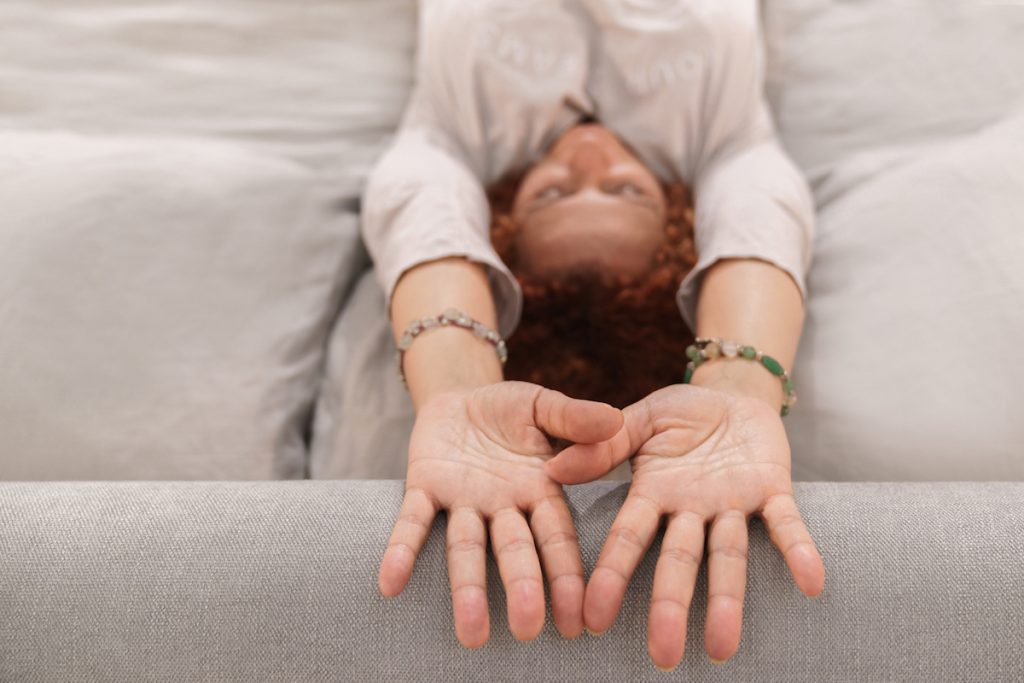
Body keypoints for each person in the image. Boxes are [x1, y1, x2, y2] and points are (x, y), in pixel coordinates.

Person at [362, 0, 825, 670]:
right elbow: (757, 193)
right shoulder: (717, 132)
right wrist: (740, 389)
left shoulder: (462, 131)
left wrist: (454, 390)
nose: (587, 156)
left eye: (552, 193)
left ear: (504, 223)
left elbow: (420, 191)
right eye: (624, 190)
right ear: (676, 216)